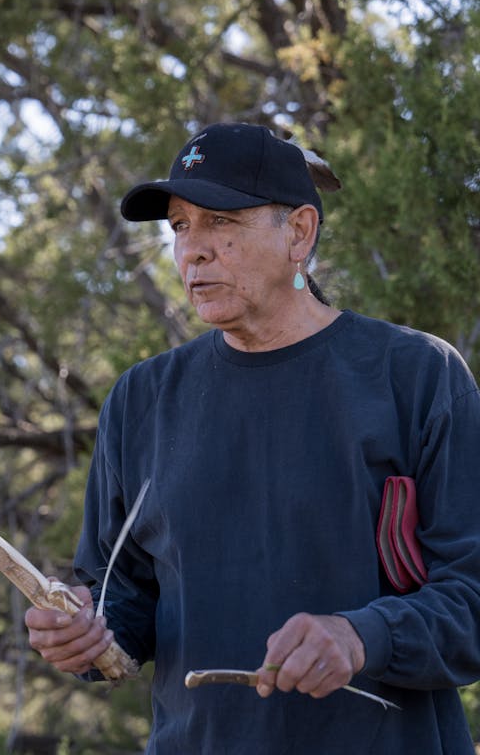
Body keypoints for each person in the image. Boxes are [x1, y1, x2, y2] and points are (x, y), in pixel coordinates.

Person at [25, 122, 480, 753]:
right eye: (181, 226)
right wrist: (81, 633)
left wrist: (361, 637)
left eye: (222, 222)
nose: (193, 251)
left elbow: (471, 597)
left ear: (299, 232)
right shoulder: (141, 400)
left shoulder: (415, 376)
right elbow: (120, 600)